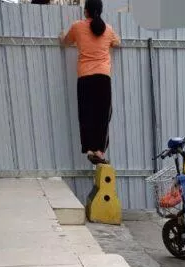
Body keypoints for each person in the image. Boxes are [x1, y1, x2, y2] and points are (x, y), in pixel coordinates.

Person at [59, 0, 120, 166]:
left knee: (86, 114)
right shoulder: (108, 29)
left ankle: (90, 149)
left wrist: (62, 35)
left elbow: (65, 42)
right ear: (100, 11)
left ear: (85, 11)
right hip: (103, 77)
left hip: (85, 77)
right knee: (103, 115)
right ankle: (100, 151)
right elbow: (117, 42)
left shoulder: (77, 27)